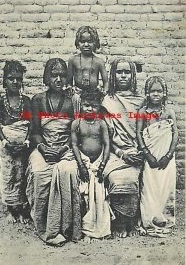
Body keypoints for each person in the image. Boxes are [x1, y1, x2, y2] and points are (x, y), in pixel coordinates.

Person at [26, 58, 82, 246]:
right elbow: (34, 132)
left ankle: (67, 227)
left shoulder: (71, 101)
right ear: (47, 77)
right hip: (43, 147)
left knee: (68, 172)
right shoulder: (38, 100)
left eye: (62, 75)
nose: (58, 79)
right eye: (54, 75)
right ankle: (46, 227)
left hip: (65, 147)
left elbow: (75, 131)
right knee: (40, 173)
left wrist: (63, 148)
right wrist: (44, 149)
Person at [102, 58, 145, 238]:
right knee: (118, 179)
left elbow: (145, 131)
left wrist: (140, 152)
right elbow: (106, 137)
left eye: (127, 72)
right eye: (119, 72)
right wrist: (121, 153)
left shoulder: (141, 101)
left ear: (133, 75)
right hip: (115, 153)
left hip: (137, 150)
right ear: (113, 75)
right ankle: (120, 222)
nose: (123, 76)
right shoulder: (108, 101)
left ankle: (133, 220)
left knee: (141, 176)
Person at [137, 76, 178, 238]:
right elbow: (139, 135)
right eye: (152, 91)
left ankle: (164, 217)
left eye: (159, 91)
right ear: (147, 93)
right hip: (151, 158)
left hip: (166, 158)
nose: (156, 94)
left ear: (164, 93)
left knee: (165, 187)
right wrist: (148, 155)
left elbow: (175, 136)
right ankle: (151, 217)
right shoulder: (142, 113)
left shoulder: (169, 112)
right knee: (150, 187)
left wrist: (168, 155)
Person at [71, 89, 111, 243]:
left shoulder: (101, 124)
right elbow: (74, 145)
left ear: (99, 107)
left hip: (98, 162)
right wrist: (81, 165)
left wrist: (102, 165)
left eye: (93, 106)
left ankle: (100, 228)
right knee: (85, 194)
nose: (89, 109)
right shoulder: (77, 123)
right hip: (84, 162)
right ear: (81, 105)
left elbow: (107, 144)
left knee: (99, 194)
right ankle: (85, 228)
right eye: (86, 105)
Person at [0, 60, 31, 224]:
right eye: (11, 78)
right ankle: (11, 209)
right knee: (8, 175)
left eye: (18, 78)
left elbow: (31, 125)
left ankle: (22, 209)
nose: (15, 82)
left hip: (23, 147)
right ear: (4, 81)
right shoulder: (1, 103)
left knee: (21, 175)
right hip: (7, 147)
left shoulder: (27, 101)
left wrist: (26, 141)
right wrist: (5, 141)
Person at [67, 26, 108, 111]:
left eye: (89, 41)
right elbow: (69, 81)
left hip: (94, 94)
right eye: (82, 41)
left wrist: (104, 93)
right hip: (78, 93)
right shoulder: (73, 60)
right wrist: (70, 89)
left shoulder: (99, 61)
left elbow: (106, 81)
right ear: (78, 43)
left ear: (95, 43)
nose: (86, 44)